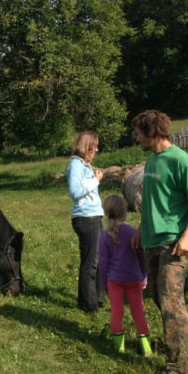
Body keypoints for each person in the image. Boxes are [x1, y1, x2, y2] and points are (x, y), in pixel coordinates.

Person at [131, 110, 188, 374]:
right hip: (152, 240)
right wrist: (141, 230)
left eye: (138, 133)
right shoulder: (152, 160)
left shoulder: (180, 159)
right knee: (160, 297)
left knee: (170, 302)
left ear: (151, 132)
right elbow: (152, 200)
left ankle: (179, 367)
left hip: (173, 243)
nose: (136, 138)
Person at [99, 194, 152, 357]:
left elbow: (103, 264)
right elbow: (142, 257)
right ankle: (147, 349)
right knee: (138, 311)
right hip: (134, 279)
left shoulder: (104, 236)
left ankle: (118, 349)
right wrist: (144, 277)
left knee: (116, 311)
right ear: (124, 212)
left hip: (114, 281)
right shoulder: (133, 233)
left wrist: (103, 284)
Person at [66, 131, 104, 312]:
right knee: (90, 262)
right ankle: (88, 305)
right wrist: (96, 180)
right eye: (93, 146)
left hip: (94, 216)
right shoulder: (75, 165)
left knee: (98, 260)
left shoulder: (84, 165)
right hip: (86, 218)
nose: (96, 150)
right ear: (85, 146)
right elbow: (75, 192)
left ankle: (96, 299)